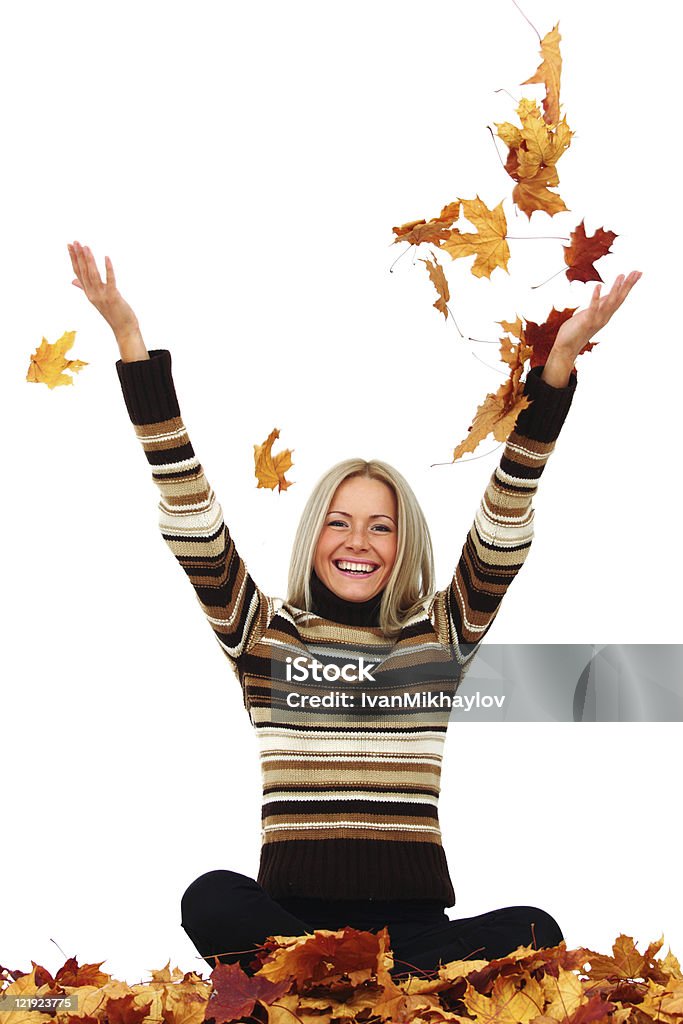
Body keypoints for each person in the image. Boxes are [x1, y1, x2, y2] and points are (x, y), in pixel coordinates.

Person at [67, 240, 641, 977]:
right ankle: (346, 981)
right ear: (313, 538)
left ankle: (350, 985)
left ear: (403, 542)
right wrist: (130, 344)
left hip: (412, 931)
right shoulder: (261, 633)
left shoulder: (441, 631)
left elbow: (503, 521)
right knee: (210, 897)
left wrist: (554, 371)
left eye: (380, 525)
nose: (358, 542)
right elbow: (192, 517)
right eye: (339, 522)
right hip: (289, 926)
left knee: (535, 926)